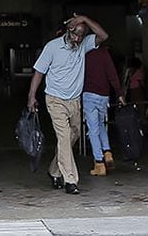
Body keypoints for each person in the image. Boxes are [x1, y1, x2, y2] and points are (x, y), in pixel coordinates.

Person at [27, 14, 108, 195]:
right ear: (68, 31)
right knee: (63, 137)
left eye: (81, 35)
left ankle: (55, 170)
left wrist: (85, 19)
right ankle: (70, 180)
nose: (78, 39)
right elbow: (39, 73)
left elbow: (103, 36)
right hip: (55, 99)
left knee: (74, 135)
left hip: (74, 101)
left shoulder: (83, 45)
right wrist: (31, 96)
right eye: (75, 35)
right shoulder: (52, 47)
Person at [82, 46, 123, 176]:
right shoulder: (104, 52)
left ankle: (99, 163)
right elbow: (112, 74)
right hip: (104, 95)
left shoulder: (83, 51)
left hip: (89, 94)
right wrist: (119, 93)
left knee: (93, 129)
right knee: (101, 125)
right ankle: (107, 152)